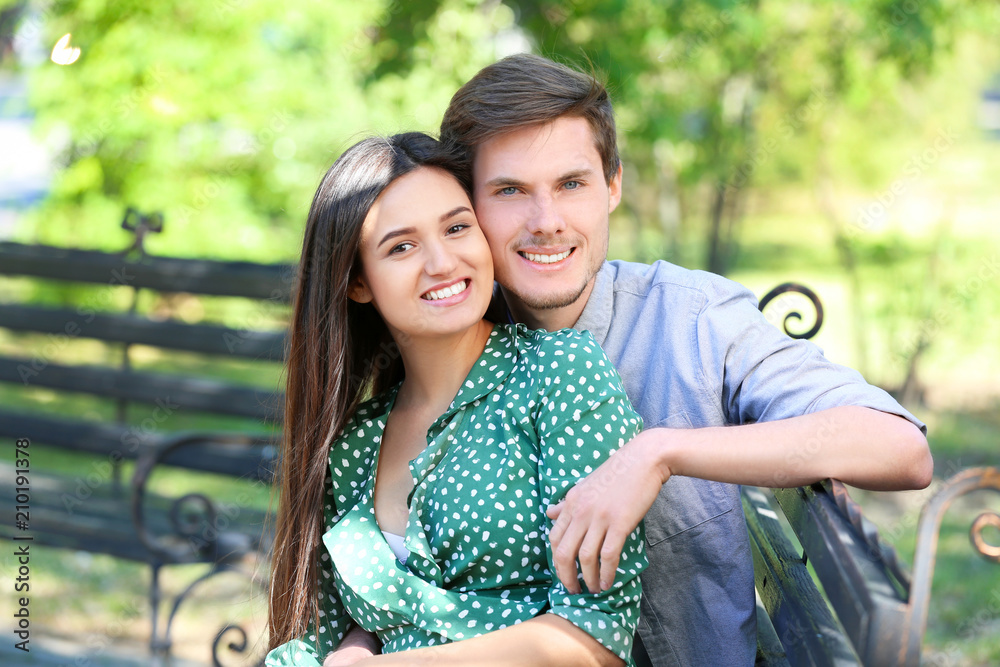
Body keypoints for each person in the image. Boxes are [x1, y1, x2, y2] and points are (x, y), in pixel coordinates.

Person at [436, 54, 934, 666]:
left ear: (613, 185)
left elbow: (898, 448)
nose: (547, 223)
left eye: (572, 184)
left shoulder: (690, 320)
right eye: (510, 190)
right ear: (467, 206)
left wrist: (659, 452)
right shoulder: (447, 345)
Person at [265, 132, 647, 667]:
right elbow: (337, 630)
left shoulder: (559, 374)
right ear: (357, 282)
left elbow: (594, 638)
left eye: (457, 227)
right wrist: (353, 649)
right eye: (401, 246)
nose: (442, 262)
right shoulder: (355, 446)